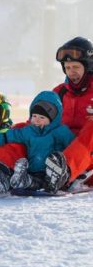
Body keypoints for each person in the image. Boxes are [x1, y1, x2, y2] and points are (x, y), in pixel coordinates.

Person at [0, 91, 75, 193]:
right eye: (34, 116)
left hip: (52, 172)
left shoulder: (61, 132)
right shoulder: (28, 131)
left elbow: (74, 148)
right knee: (32, 180)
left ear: (52, 119)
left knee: (58, 157)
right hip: (33, 171)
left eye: (41, 117)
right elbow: (7, 136)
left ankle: (52, 182)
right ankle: (12, 180)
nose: (36, 120)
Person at [43, 36, 93, 193]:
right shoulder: (60, 92)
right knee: (30, 125)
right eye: (68, 67)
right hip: (59, 154)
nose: (72, 72)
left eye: (76, 67)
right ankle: (6, 166)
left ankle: (65, 171)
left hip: (87, 160)